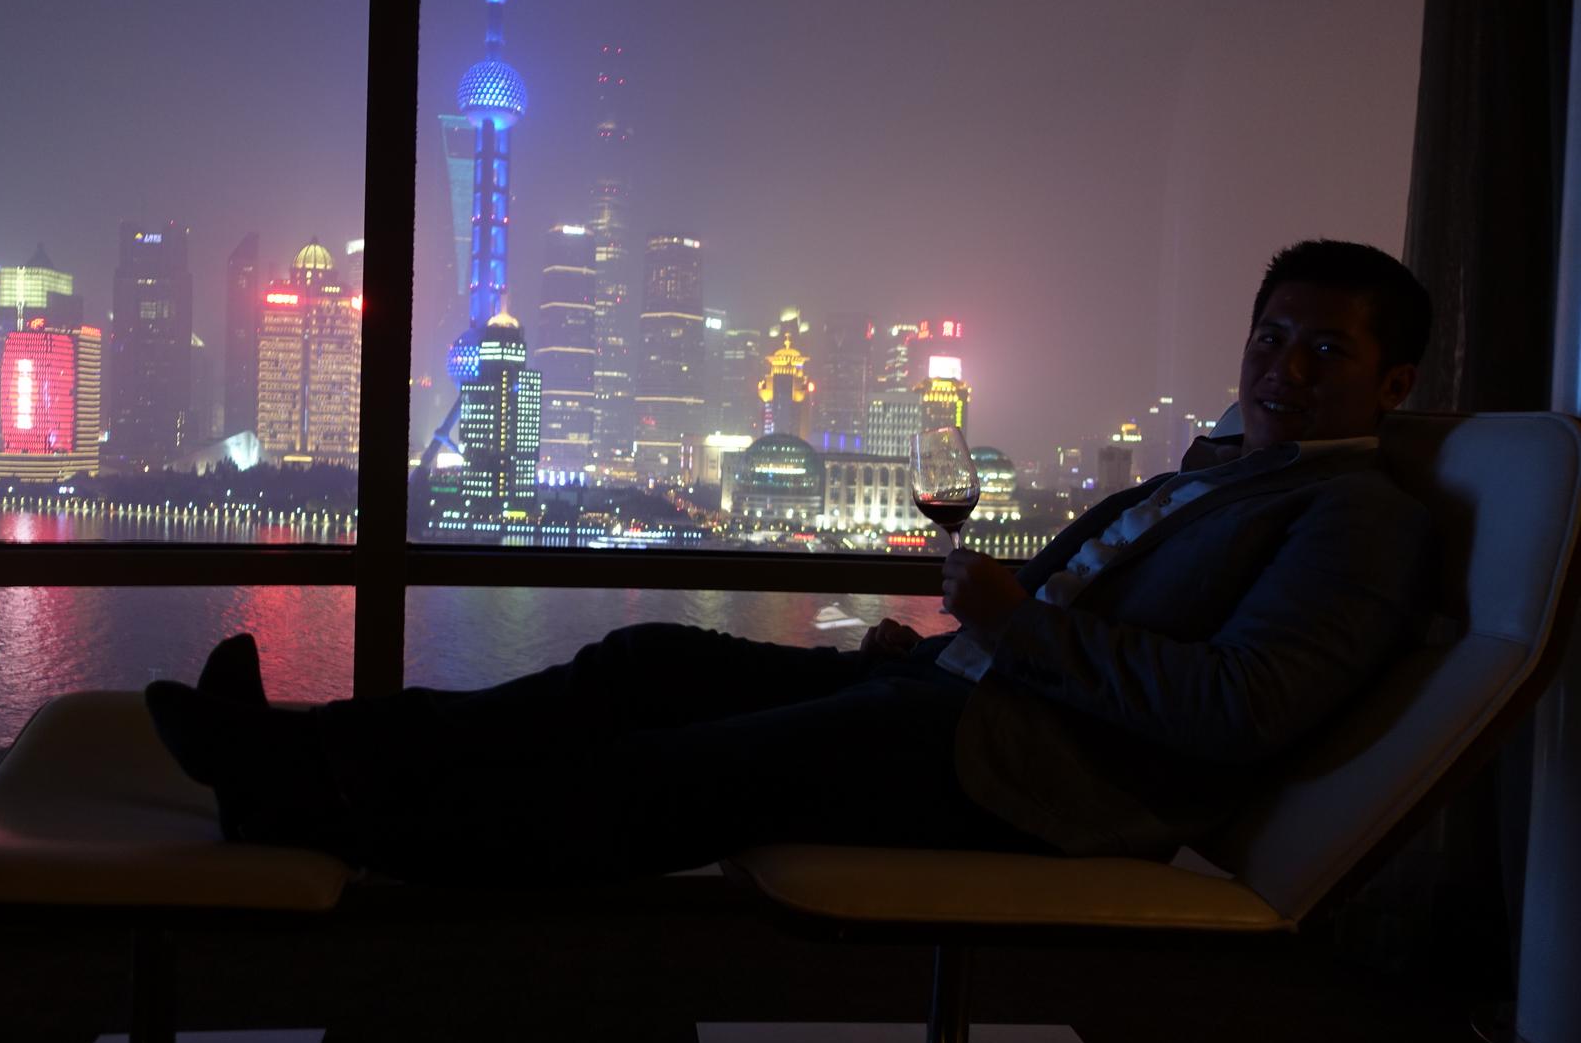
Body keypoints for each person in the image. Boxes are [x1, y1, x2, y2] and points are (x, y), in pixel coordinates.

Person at [147, 238, 1433, 886]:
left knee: (670, 775)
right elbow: (1078, 628)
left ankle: (327, 821)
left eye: (1325, 351)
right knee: (645, 658)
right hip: (972, 701)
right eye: (1272, 338)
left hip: (1037, 782)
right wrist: (951, 642)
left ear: (1395, 381)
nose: (1283, 367)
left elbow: (1240, 708)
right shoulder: (1213, 476)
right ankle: (318, 752)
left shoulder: (1353, 515)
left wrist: (1013, 627)